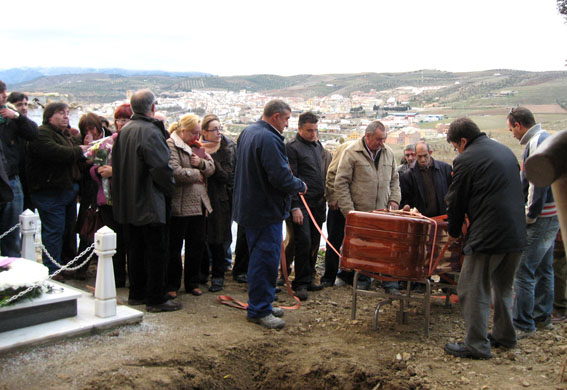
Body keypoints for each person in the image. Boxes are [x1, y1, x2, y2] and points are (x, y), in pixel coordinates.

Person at [443, 118, 526, 360]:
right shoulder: (504, 150)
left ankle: (476, 345)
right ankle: (505, 336)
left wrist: (454, 231)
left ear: (463, 141)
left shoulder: (466, 159)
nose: (456, 151)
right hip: (516, 232)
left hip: (488, 235)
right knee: (503, 286)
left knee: (472, 288)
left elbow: (456, 200)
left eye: (455, 146)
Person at [233, 99, 306, 329]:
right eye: (286, 119)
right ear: (276, 116)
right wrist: (300, 185)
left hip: (250, 207)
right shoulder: (268, 138)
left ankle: (261, 302)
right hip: (265, 210)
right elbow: (280, 177)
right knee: (265, 261)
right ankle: (259, 310)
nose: (287, 124)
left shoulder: (249, 132)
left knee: (259, 258)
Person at [112, 89, 181, 313]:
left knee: (136, 251)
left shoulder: (126, 130)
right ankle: (155, 298)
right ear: (153, 107)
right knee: (156, 252)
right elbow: (161, 168)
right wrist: (169, 189)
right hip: (150, 203)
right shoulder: (150, 132)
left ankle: (137, 293)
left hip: (128, 202)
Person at [507, 107, 560, 334]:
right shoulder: (546, 137)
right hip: (552, 214)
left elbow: (537, 184)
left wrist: (529, 216)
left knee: (524, 270)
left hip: (541, 217)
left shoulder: (537, 142)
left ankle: (523, 323)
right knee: (544, 268)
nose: (512, 134)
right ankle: (542, 316)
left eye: (512, 129)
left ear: (519, 125)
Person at [334, 121, 401, 292]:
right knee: (363, 248)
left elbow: (395, 180)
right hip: (361, 212)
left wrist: (394, 201)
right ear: (368, 136)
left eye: (384, 139)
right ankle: (362, 281)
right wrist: (349, 211)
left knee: (386, 248)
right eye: (379, 139)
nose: (382, 143)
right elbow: (341, 183)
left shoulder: (388, 154)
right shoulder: (351, 153)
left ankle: (389, 283)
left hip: (384, 212)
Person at [27, 102, 86, 277]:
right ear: (49, 115)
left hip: (65, 190)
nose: (66, 116)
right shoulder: (42, 133)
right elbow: (56, 153)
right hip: (50, 191)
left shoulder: (61, 134)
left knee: (66, 232)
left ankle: (61, 264)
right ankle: (52, 269)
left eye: (67, 113)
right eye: (61, 113)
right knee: (54, 231)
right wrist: (79, 150)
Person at [166, 114, 215, 298]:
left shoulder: (197, 146)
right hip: (180, 203)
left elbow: (211, 167)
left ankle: (192, 282)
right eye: (193, 132)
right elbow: (174, 171)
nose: (196, 136)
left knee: (196, 246)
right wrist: (196, 174)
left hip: (199, 204)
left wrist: (200, 163)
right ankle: (172, 283)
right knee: (175, 247)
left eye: (198, 133)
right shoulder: (172, 145)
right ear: (183, 130)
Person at [285, 112, 326, 301]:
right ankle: (299, 282)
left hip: (318, 203)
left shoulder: (318, 146)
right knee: (303, 242)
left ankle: (309, 278)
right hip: (302, 204)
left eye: (316, 130)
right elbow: (290, 179)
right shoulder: (291, 149)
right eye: (309, 130)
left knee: (314, 242)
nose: (313, 134)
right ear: (300, 128)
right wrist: (295, 206)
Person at [0, 84, 38, 256]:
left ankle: (12, 277)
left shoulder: (10, 117)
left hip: (11, 178)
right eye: (0, 93)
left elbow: (33, 133)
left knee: (11, 234)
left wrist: (17, 117)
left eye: (4, 92)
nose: (4, 96)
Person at [200, 114, 235, 292]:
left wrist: (210, 162)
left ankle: (218, 276)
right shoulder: (195, 148)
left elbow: (226, 176)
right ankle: (202, 273)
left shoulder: (225, 150)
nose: (218, 133)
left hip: (219, 200)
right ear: (204, 132)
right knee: (201, 237)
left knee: (218, 238)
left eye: (219, 129)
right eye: (215, 129)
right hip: (199, 199)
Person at [320, 140, 354, 288]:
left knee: (353, 242)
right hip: (339, 204)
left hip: (357, 205)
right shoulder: (347, 148)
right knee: (334, 240)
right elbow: (331, 173)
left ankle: (349, 275)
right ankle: (329, 276)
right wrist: (332, 196)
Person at [400, 141, 452, 217]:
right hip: (420, 221)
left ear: (430, 153)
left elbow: (452, 194)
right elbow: (405, 201)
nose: (423, 160)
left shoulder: (445, 169)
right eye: (419, 156)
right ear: (415, 155)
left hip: (443, 218)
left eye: (425, 156)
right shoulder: (407, 176)